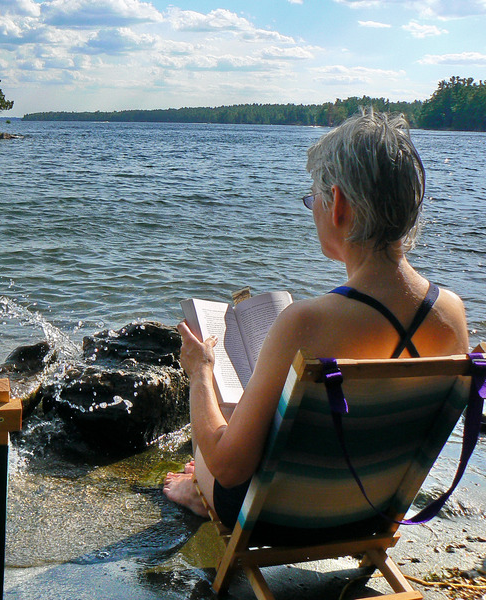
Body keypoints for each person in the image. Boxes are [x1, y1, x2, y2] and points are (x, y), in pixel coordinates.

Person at [163, 109, 470, 528]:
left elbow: (230, 468)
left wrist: (200, 372)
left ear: (338, 203)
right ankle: (201, 489)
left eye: (314, 199)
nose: (313, 210)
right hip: (371, 510)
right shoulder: (451, 312)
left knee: (211, 443)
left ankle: (199, 494)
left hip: (279, 517)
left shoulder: (305, 322)